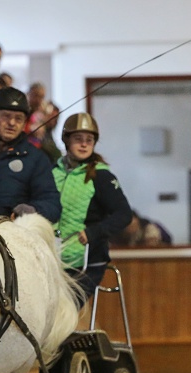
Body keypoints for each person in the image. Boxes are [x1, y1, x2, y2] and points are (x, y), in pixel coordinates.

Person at [53, 112, 132, 301]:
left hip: (87, 261)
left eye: (89, 140)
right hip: (51, 257)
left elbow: (124, 214)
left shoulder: (102, 176)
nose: (84, 144)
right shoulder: (52, 172)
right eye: (78, 139)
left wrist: (94, 232)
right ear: (67, 141)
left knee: (61, 310)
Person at [0, 86, 60, 223]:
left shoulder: (36, 158)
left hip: (8, 233)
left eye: (18, 119)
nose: (12, 123)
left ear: (24, 123)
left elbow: (52, 204)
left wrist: (33, 209)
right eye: (6, 116)